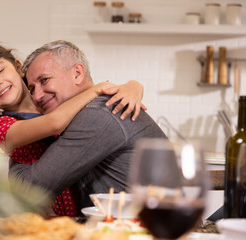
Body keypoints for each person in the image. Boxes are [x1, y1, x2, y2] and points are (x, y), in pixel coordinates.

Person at [0, 42, 146, 216]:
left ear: (18, 67)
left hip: (77, 205)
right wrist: (97, 89)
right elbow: (55, 123)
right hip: (46, 209)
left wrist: (134, 86)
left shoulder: (52, 105)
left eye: (0, 70)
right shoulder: (1, 127)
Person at [9, 40, 168, 211]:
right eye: (32, 89)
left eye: (45, 80)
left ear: (77, 73)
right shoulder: (92, 111)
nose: (37, 96)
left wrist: (15, 139)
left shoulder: (98, 114)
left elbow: (29, 191)